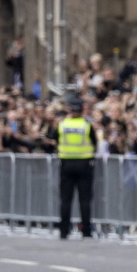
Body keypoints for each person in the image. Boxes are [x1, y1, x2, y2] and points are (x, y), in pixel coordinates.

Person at [56, 98, 96, 239]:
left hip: (66, 164)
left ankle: (64, 231)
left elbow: (55, 139)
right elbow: (94, 141)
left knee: (66, 200)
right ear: (81, 110)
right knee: (84, 200)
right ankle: (86, 231)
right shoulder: (86, 125)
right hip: (84, 164)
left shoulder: (63, 124)